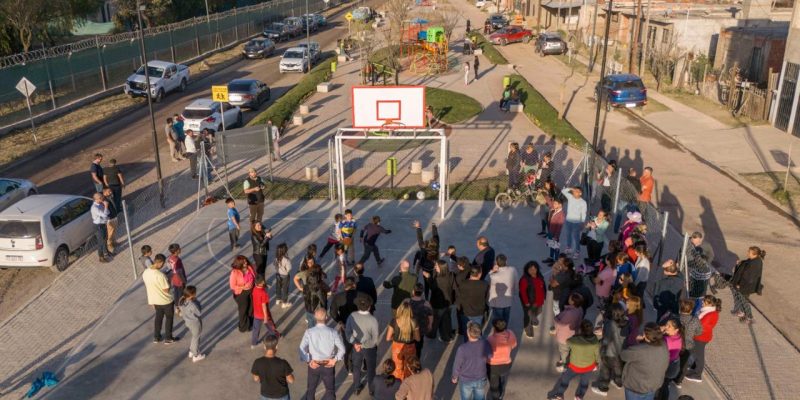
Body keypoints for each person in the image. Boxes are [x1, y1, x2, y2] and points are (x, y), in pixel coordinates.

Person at [299, 308, 346, 400]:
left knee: (311, 390)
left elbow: (301, 348)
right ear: (326, 317)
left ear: (315, 317)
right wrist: (334, 359)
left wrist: (309, 360)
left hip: (314, 365)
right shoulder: (333, 332)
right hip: (328, 365)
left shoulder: (309, 332)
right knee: (330, 391)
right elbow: (342, 349)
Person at [548, 320, 599, 400]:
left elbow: (567, 341)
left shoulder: (575, 341)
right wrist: (596, 364)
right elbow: (597, 354)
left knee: (565, 380)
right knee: (584, 383)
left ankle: (560, 394)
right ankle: (579, 396)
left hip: (574, 367)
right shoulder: (595, 341)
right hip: (589, 367)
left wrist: (576, 335)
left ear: (580, 330)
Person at [330, 277, 370, 373]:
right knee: (363, 345)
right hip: (361, 325)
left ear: (344, 286)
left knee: (348, 348)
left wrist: (340, 321)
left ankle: (350, 368)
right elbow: (370, 304)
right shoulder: (362, 295)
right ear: (354, 285)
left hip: (346, 326)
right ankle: (365, 365)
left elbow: (332, 312)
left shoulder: (338, 297)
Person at [620, 322, 669, 400]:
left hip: (636, 388)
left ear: (645, 335)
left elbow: (623, 355)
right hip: (653, 386)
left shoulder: (639, 350)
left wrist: (636, 342)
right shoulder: (664, 345)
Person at [591, 303, 628, 396]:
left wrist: (601, 346)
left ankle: (603, 388)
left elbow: (606, 340)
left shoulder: (609, 323)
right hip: (621, 350)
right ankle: (619, 383)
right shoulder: (626, 321)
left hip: (609, 352)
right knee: (618, 367)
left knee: (605, 370)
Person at [346, 296, 379, 396]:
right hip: (369, 348)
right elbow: (375, 338)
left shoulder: (352, 316)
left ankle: (356, 387)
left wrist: (355, 344)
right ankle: (371, 389)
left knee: (356, 367)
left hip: (357, 348)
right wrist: (365, 344)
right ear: (369, 307)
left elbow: (348, 332)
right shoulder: (373, 319)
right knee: (371, 369)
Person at [143, 254, 179, 344]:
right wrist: (169, 279)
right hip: (166, 301)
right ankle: (168, 338)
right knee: (169, 319)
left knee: (158, 318)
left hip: (154, 300)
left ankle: (157, 337)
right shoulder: (160, 275)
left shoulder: (146, 272)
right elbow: (166, 289)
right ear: (161, 263)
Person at [685, 295, 721, 383]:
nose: (702, 302)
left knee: (699, 356)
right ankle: (692, 366)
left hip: (701, 338)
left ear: (709, 304)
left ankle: (697, 375)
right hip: (700, 336)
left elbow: (702, 326)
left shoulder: (710, 314)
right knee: (693, 352)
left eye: (704, 301)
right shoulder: (708, 312)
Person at [452, 321, 492, 400]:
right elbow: (490, 356)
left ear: (468, 333)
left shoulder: (462, 349)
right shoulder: (485, 343)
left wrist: (455, 376)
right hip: (480, 377)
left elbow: (457, 365)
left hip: (466, 380)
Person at [252, 334, 294, 400]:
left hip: (265, 395)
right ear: (276, 347)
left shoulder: (257, 362)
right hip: (282, 395)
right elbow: (291, 380)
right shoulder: (283, 363)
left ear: (264, 347)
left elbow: (256, 379)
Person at [386, 300, 421, 380]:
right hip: (410, 346)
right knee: (409, 366)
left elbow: (388, 338)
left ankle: (399, 383)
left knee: (397, 368)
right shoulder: (414, 322)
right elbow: (418, 339)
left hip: (397, 347)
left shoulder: (394, 321)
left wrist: (394, 338)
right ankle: (408, 382)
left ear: (400, 310)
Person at [730, 246, 765, 324]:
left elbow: (748, 278)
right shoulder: (755, 260)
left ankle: (750, 317)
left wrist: (740, 284)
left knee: (744, 301)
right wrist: (741, 262)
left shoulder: (754, 264)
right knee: (740, 298)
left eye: (749, 252)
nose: (747, 253)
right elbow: (747, 261)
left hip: (745, 286)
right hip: (746, 286)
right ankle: (741, 312)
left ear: (754, 254)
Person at [673, 299, 703, 387]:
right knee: (684, 364)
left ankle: (669, 376)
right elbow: (699, 332)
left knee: (673, 360)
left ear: (680, 309)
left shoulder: (676, 318)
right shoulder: (695, 320)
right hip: (688, 345)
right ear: (691, 310)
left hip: (676, 344)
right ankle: (678, 380)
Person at [487, 319, 517, 400]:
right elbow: (514, 345)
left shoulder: (490, 339)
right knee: (502, 377)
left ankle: (497, 397)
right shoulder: (511, 333)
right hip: (506, 364)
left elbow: (486, 351)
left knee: (494, 386)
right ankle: (501, 387)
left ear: (494, 328)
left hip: (493, 366)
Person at [457, 266, 489, 341]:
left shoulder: (462, 284)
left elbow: (459, 297)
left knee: (466, 332)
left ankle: (467, 345)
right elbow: (486, 298)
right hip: (478, 312)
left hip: (465, 312)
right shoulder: (484, 284)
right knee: (477, 332)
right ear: (479, 274)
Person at [554, 293, 584, 372]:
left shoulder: (569, 313)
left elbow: (561, 324)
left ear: (573, 302)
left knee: (563, 351)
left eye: (570, 298)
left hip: (564, 336)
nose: (568, 299)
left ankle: (564, 364)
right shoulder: (580, 309)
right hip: (573, 334)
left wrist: (556, 319)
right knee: (569, 349)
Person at [655, 318, 683, 400]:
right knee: (665, 385)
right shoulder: (678, 337)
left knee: (662, 386)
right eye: (666, 324)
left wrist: (659, 331)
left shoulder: (666, 340)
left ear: (676, 330)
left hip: (667, 367)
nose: (666, 327)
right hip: (674, 366)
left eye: (669, 326)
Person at [177, 285, 205, 362]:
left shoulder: (181, 300)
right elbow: (199, 313)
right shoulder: (192, 304)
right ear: (192, 294)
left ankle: (191, 351)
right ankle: (196, 355)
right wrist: (196, 301)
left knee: (194, 336)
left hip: (188, 322)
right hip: (195, 322)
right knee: (196, 337)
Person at [488, 254, 518, 324]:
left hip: (497, 302)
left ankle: (499, 332)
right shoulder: (513, 270)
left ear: (496, 262)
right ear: (506, 261)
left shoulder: (493, 275)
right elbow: (516, 283)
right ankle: (505, 330)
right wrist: (515, 292)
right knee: (506, 317)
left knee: (497, 320)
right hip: (508, 300)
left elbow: (488, 279)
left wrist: (492, 270)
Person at [430, 259, 456, 342]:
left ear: (441, 267)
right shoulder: (450, 275)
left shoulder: (438, 279)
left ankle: (438, 336)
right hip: (448, 302)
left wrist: (428, 278)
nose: (435, 267)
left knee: (437, 320)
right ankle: (448, 335)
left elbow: (432, 288)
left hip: (438, 303)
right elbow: (454, 287)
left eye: (436, 266)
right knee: (447, 320)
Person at [519, 261, 545, 338]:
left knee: (538, 311)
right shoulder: (524, 280)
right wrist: (526, 302)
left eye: (534, 269)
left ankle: (534, 319)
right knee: (528, 316)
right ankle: (528, 330)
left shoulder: (539, 276)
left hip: (539, 301)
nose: (533, 271)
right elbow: (523, 292)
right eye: (530, 269)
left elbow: (542, 286)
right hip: (530, 302)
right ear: (527, 270)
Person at [229, 255, 256, 333]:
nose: (245, 262)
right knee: (243, 310)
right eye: (243, 262)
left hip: (251, 290)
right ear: (239, 263)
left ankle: (250, 323)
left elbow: (254, 276)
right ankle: (243, 326)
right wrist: (243, 287)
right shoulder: (235, 272)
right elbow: (232, 286)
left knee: (251, 308)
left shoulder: (250, 267)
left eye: (245, 260)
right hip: (241, 294)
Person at [560, 186, 587, 258]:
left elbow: (583, 213)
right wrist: (571, 188)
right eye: (574, 191)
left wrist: (582, 223)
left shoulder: (583, 202)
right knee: (568, 235)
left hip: (577, 223)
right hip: (568, 221)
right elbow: (563, 191)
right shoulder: (570, 197)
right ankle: (569, 248)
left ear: (580, 193)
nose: (574, 192)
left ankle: (577, 251)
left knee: (576, 237)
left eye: (576, 191)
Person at [408, 283, 433, 358]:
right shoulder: (426, 304)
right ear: (422, 293)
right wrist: (430, 325)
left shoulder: (407, 302)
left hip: (409, 329)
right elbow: (430, 316)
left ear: (413, 291)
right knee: (418, 348)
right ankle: (416, 362)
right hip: (420, 330)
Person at [251, 276, 276, 348]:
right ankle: (273, 338)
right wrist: (265, 316)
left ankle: (253, 343)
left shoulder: (254, 289)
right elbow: (264, 306)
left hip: (256, 313)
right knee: (270, 327)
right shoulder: (263, 293)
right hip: (262, 314)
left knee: (256, 329)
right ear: (261, 283)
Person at [90, 192, 112, 263]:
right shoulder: (94, 208)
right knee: (100, 242)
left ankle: (106, 252)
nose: (102, 198)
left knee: (105, 239)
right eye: (101, 198)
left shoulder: (100, 204)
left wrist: (105, 207)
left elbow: (107, 212)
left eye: (102, 197)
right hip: (98, 226)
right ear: (96, 199)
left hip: (103, 224)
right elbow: (104, 215)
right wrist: (105, 206)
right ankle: (101, 257)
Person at [543, 198, 564, 264]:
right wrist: (545, 195)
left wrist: (556, 236)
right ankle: (551, 258)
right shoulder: (555, 209)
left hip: (555, 234)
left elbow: (559, 227)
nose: (553, 205)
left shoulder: (561, 214)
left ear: (560, 205)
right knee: (551, 245)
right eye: (554, 203)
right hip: (550, 231)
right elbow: (550, 203)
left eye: (555, 204)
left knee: (556, 247)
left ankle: (556, 260)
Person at [273, 243, 291, 308]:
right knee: (285, 289)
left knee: (278, 286)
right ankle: (284, 303)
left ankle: (278, 299)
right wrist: (285, 271)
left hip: (278, 274)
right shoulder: (286, 260)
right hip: (285, 276)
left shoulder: (276, 258)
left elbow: (274, 265)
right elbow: (289, 268)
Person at [101, 188, 119, 254]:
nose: (111, 192)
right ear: (104, 192)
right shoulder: (104, 200)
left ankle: (114, 242)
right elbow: (105, 211)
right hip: (110, 219)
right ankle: (109, 244)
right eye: (109, 191)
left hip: (114, 216)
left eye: (110, 191)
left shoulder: (110, 197)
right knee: (110, 232)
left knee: (114, 230)